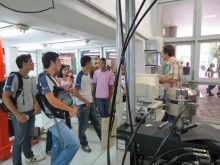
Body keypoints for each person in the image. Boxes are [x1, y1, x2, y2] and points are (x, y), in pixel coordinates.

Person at [2, 54, 45, 165]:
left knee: (28, 136)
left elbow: (31, 92)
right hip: (20, 114)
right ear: (24, 63)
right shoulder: (14, 77)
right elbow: (5, 96)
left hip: (30, 112)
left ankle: (29, 156)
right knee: (19, 141)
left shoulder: (29, 78)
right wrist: (16, 114)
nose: (33, 63)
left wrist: (35, 103)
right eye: (30, 61)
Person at [39, 51, 79, 164]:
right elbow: (52, 101)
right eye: (58, 61)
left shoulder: (52, 78)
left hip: (58, 117)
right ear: (52, 62)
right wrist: (70, 109)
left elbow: (59, 98)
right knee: (74, 144)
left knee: (58, 146)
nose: (60, 64)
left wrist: (68, 110)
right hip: (53, 120)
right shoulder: (44, 77)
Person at [74, 55, 101, 153]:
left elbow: (86, 89)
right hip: (83, 105)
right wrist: (85, 101)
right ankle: (83, 144)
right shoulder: (79, 75)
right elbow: (75, 92)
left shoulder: (88, 74)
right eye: (90, 62)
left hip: (90, 103)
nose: (92, 64)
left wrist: (91, 98)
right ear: (86, 63)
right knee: (83, 126)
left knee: (96, 122)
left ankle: (103, 139)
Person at [159, 45, 183, 123]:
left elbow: (172, 80)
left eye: (162, 53)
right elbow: (169, 78)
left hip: (173, 94)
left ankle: (172, 132)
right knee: (170, 114)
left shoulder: (173, 62)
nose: (161, 55)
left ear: (166, 53)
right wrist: (162, 79)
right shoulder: (170, 63)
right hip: (170, 93)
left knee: (172, 115)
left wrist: (157, 79)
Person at [57, 64, 74, 129]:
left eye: (67, 69)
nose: (66, 71)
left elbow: (72, 87)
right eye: (64, 69)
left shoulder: (69, 78)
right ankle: (64, 127)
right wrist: (67, 89)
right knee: (63, 112)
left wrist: (68, 89)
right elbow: (59, 90)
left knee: (69, 112)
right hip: (62, 98)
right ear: (61, 70)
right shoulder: (59, 79)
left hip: (69, 97)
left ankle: (68, 126)